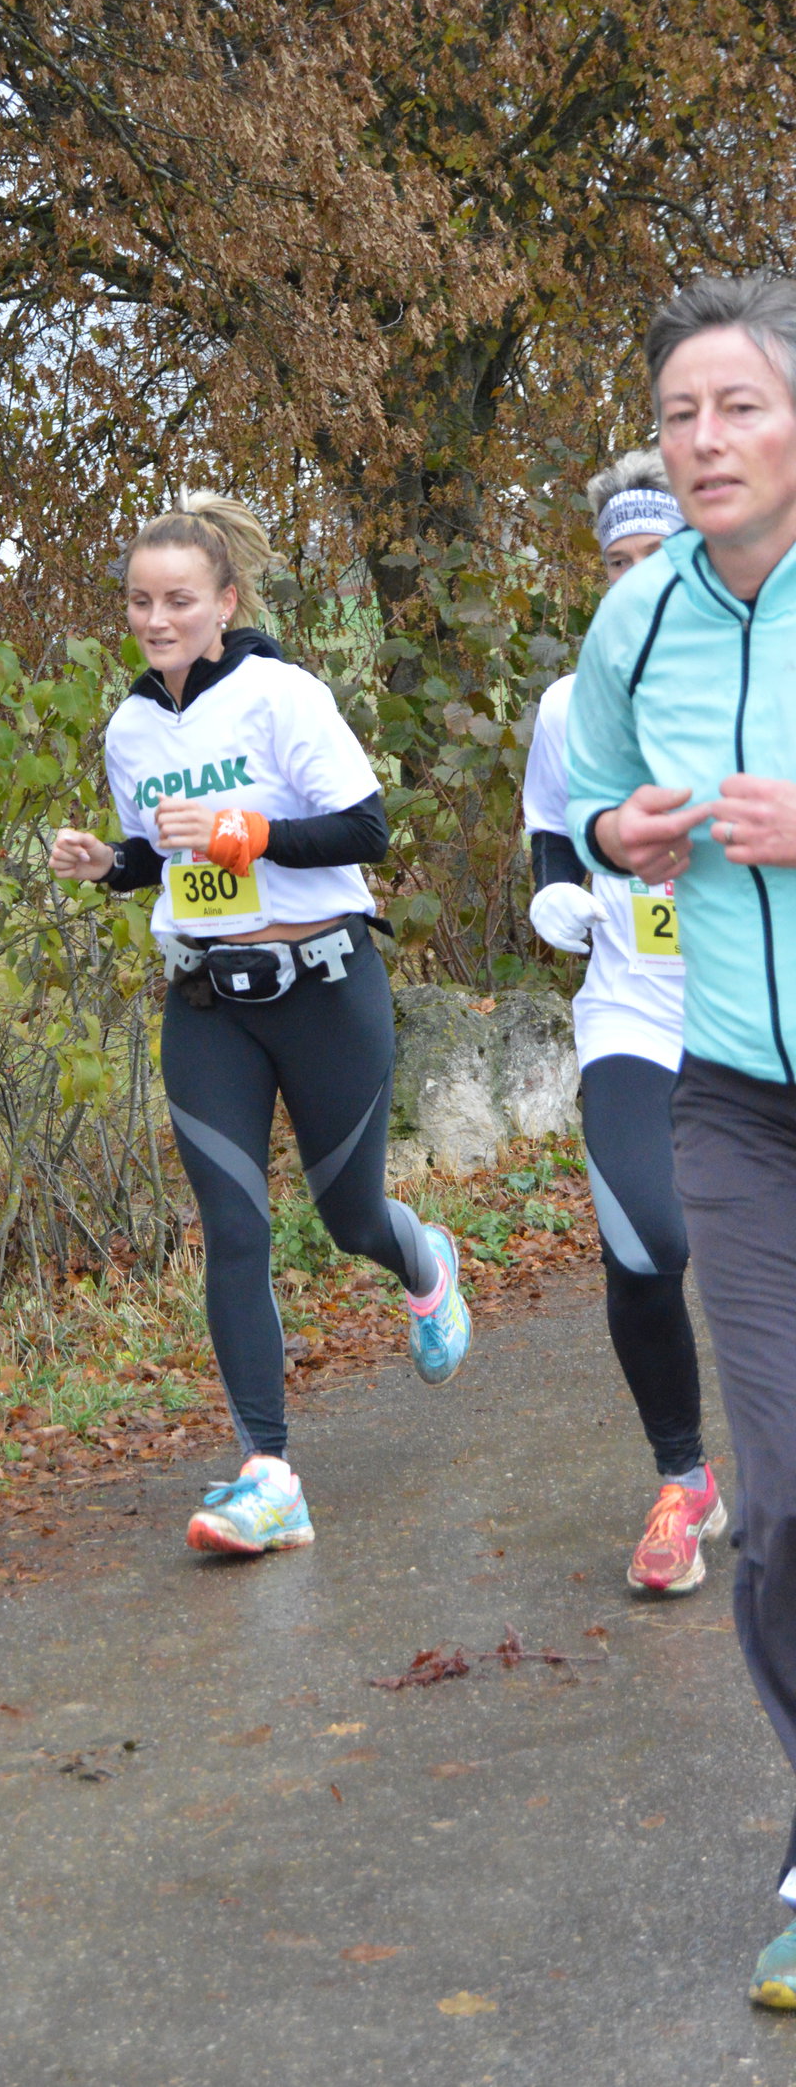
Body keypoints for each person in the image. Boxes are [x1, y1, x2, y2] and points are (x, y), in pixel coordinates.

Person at [50, 489, 471, 1559]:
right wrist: (109, 863)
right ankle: (269, 1475)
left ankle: (423, 1262)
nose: (155, 620)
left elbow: (365, 830)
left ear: (225, 602)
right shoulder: (130, 728)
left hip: (324, 989)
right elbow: (161, 854)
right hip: (207, 1002)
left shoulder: (282, 695)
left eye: (178, 601)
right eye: (139, 602)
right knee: (233, 1231)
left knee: (349, 1218)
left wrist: (247, 830)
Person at [564, 273, 796, 2009]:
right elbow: (581, 790)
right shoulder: (636, 618)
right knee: (780, 1504)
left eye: (738, 405)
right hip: (732, 1098)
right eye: (676, 415)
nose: (703, 440)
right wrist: (613, 831)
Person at [522, 448, 725, 1593]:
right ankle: (682, 1481)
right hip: (632, 1015)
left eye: (657, 554)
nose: (634, 577)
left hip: (757, 1011)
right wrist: (555, 891)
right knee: (646, 1244)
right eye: (616, 561)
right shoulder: (568, 704)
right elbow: (553, 827)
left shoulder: (757, 675)